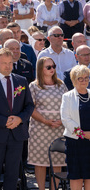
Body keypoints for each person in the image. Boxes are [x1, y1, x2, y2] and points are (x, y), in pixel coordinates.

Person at [0, 48, 34, 190]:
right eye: (4, 63)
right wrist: (4, 121)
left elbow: (29, 106)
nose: (8, 66)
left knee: (13, 174)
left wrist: (19, 119)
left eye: (10, 63)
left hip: (17, 135)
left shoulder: (21, 81)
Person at [28, 57, 67, 190]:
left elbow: (67, 106)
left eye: (54, 66)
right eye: (48, 67)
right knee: (40, 163)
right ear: (40, 69)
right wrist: (45, 121)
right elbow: (30, 108)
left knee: (57, 161)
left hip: (58, 128)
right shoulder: (33, 86)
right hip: (40, 129)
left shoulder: (61, 84)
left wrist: (62, 120)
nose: (52, 69)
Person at [60, 65, 90, 190]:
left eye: (86, 78)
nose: (84, 81)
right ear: (73, 80)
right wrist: (82, 133)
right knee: (76, 176)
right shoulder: (67, 97)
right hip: (75, 142)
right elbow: (65, 119)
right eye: (80, 78)